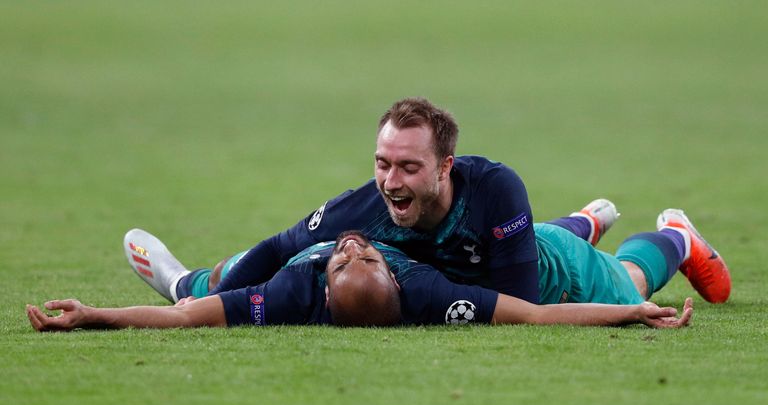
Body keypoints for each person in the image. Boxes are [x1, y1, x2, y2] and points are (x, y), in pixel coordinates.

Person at [27, 203, 729, 331]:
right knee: (623, 281)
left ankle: (617, 228)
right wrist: (631, 312)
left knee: (216, 290)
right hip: (521, 255)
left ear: (322, 290)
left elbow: (187, 322)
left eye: (347, 258)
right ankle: (672, 235)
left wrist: (97, 318)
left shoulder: (296, 289)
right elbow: (542, 315)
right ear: (396, 280)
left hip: (520, 247)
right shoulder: (425, 292)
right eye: (354, 256)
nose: (352, 246)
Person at [194, 97, 546, 303]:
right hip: (503, 253)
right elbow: (276, 248)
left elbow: (521, 306)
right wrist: (203, 308)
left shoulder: (495, 191)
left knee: (552, 238)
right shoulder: (363, 209)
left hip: (555, 264)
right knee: (249, 265)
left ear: (444, 167)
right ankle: (188, 284)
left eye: (408, 167)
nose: (391, 183)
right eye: (382, 164)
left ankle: (582, 222)